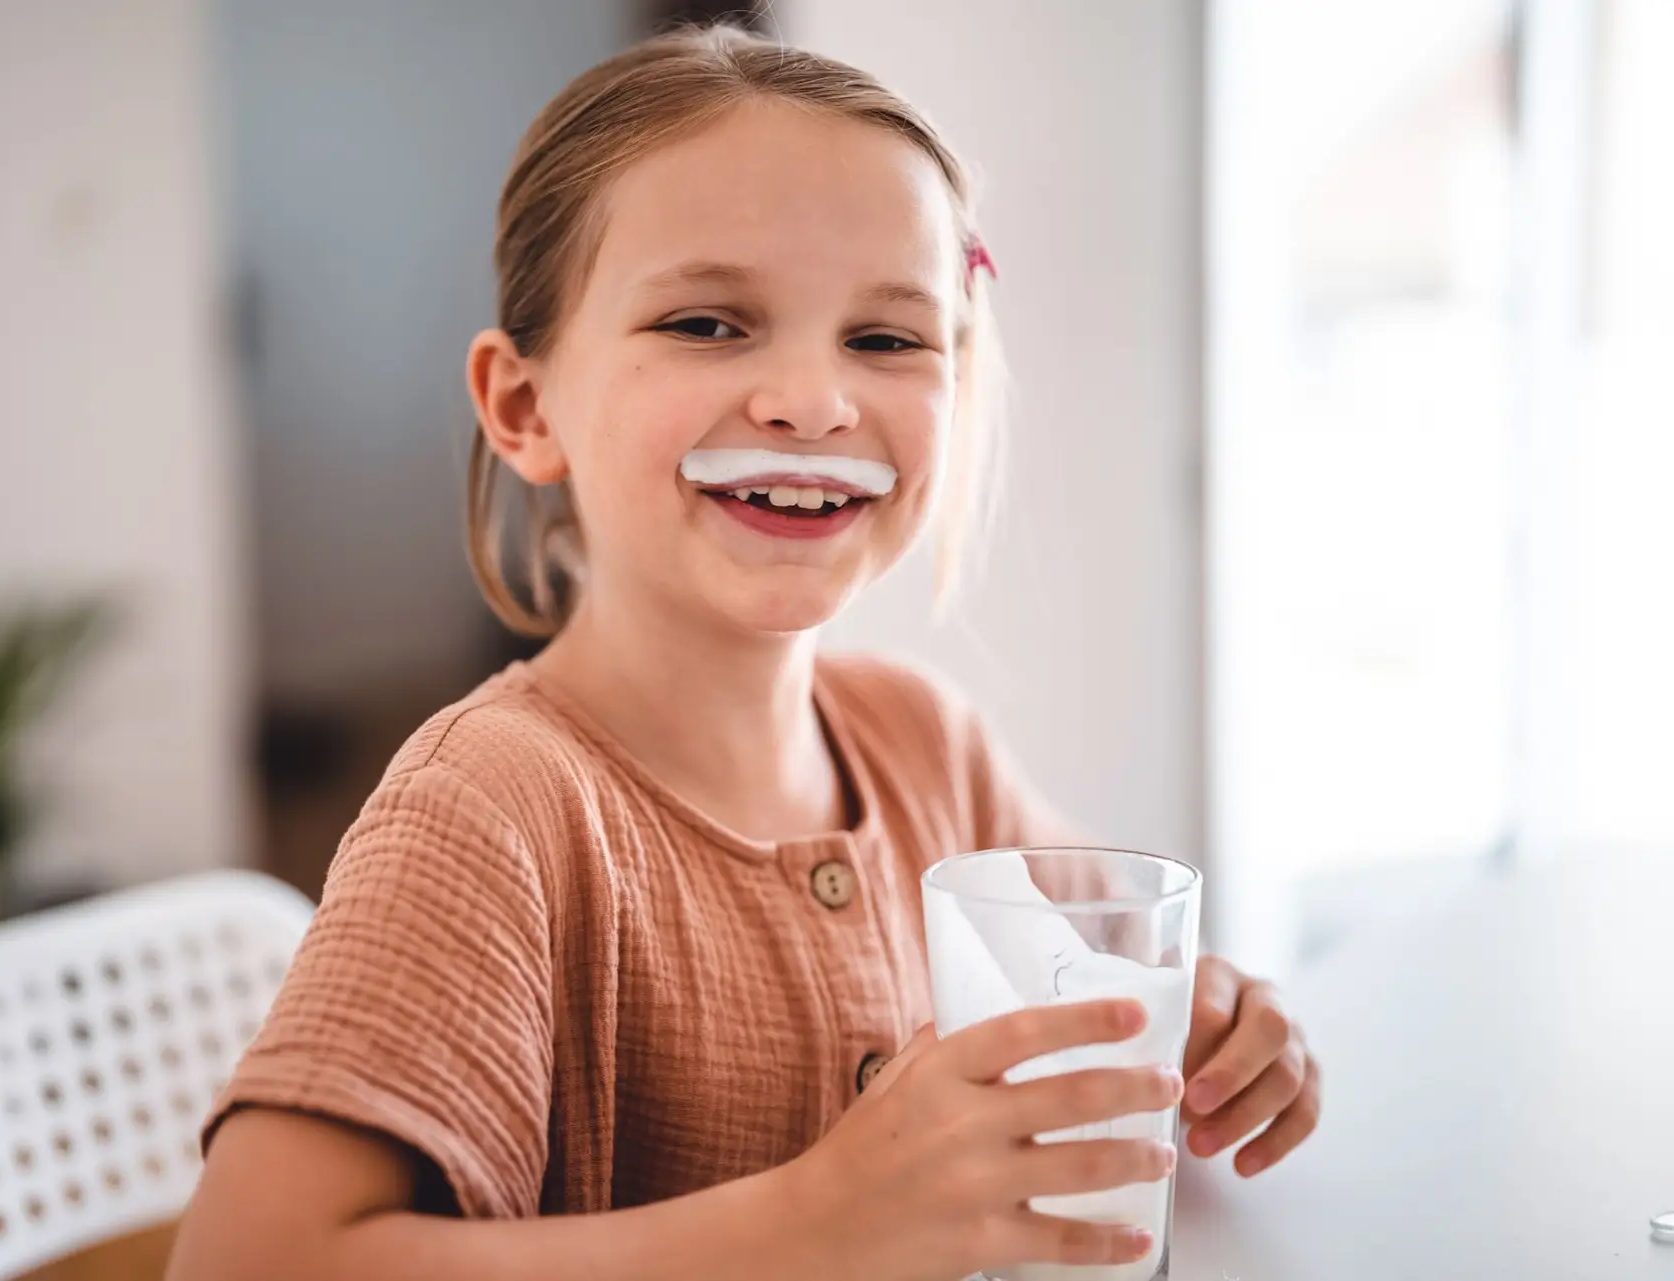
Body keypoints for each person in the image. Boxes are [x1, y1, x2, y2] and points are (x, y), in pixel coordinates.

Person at [166, 25, 1320, 1281]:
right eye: (710, 323)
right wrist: (808, 1225)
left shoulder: (929, 744)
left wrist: (1213, 1024)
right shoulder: (490, 809)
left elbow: (1093, 1024)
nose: (813, 401)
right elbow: (244, 1262)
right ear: (524, 407)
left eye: (886, 340)